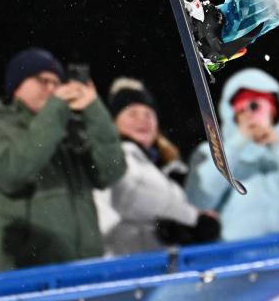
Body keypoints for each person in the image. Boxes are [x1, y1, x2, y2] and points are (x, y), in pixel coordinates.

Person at [0, 48, 126, 271]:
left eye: (56, 82)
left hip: (85, 270)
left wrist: (94, 108)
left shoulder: (68, 132)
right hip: (29, 277)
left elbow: (110, 172)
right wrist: (56, 110)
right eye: (42, 80)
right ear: (16, 86)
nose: (52, 88)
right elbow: (13, 174)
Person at [186, 68, 279, 241]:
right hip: (230, 253)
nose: (253, 116)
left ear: (275, 115)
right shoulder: (211, 152)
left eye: (261, 108)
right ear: (231, 112)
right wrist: (236, 144)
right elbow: (198, 200)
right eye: (245, 107)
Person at [93, 78, 220, 255]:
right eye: (132, 114)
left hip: (152, 261)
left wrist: (185, 227)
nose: (142, 120)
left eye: (148, 115)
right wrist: (193, 219)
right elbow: (131, 195)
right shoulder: (117, 158)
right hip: (122, 262)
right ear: (114, 122)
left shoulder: (159, 166)